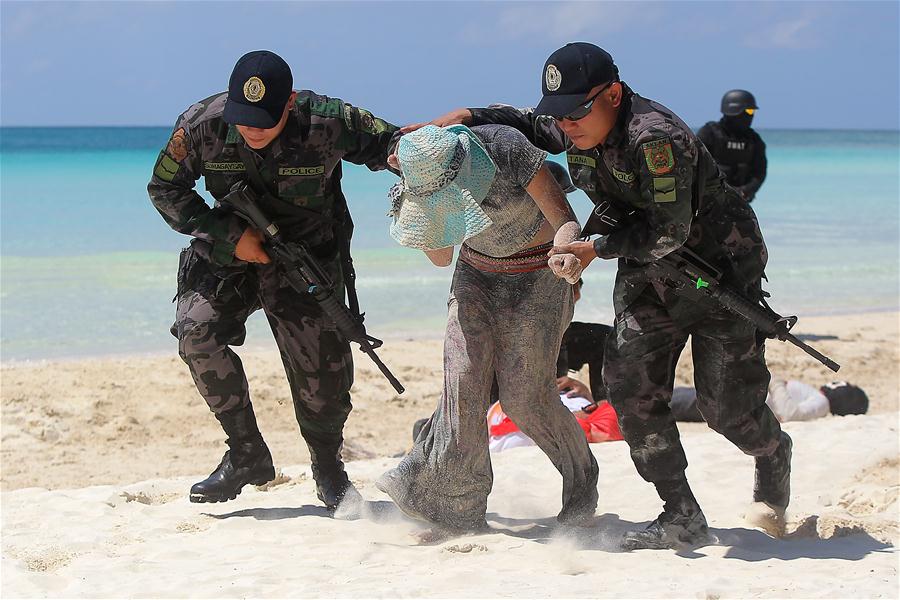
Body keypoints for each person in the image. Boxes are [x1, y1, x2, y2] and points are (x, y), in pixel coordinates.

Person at [414, 42, 792, 549]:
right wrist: (470, 114)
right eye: (560, 114)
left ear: (612, 94)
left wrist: (591, 247)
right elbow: (528, 123)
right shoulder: (572, 120)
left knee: (726, 410)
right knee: (631, 394)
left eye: (576, 112)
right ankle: (680, 511)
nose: (565, 125)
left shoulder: (657, 139)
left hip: (717, 276)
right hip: (647, 275)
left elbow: (669, 232)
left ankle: (773, 453)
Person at [147, 50, 399, 510]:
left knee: (324, 377)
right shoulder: (202, 124)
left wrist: (433, 166)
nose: (252, 128)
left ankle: (327, 467)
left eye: (265, 118)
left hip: (306, 259)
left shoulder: (327, 120)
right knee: (195, 331)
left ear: (290, 103)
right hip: (231, 250)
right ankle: (246, 454)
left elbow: (393, 146)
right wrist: (227, 237)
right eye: (244, 118)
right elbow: (164, 190)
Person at [376, 123, 599, 533]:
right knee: (462, 381)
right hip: (475, 274)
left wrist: (568, 257)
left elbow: (567, 222)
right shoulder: (421, 181)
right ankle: (461, 505)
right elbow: (443, 257)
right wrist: (417, 201)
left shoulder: (506, 149)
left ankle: (582, 482)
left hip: (539, 274)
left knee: (524, 400)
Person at [670, 380, 869, 423]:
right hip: (742, 394)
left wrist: (775, 383)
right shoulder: (819, 401)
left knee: (674, 401)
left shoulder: (822, 403)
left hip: (742, 400)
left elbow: (790, 415)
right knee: (680, 396)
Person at [697, 90, 767, 203]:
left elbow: (760, 173)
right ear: (734, 111)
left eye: (752, 111)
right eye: (749, 111)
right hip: (709, 200)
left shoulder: (754, 140)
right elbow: (697, 166)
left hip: (740, 201)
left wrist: (744, 191)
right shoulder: (710, 133)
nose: (751, 115)